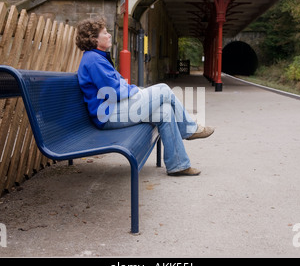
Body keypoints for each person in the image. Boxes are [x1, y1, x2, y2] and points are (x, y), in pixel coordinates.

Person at [76, 16, 214, 176]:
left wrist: (135, 90)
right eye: (105, 33)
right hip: (107, 115)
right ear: (93, 38)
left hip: (113, 110)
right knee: (163, 89)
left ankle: (179, 164)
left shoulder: (97, 57)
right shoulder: (93, 60)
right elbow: (113, 91)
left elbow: (119, 85)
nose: (109, 35)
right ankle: (189, 129)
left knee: (166, 111)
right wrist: (137, 91)